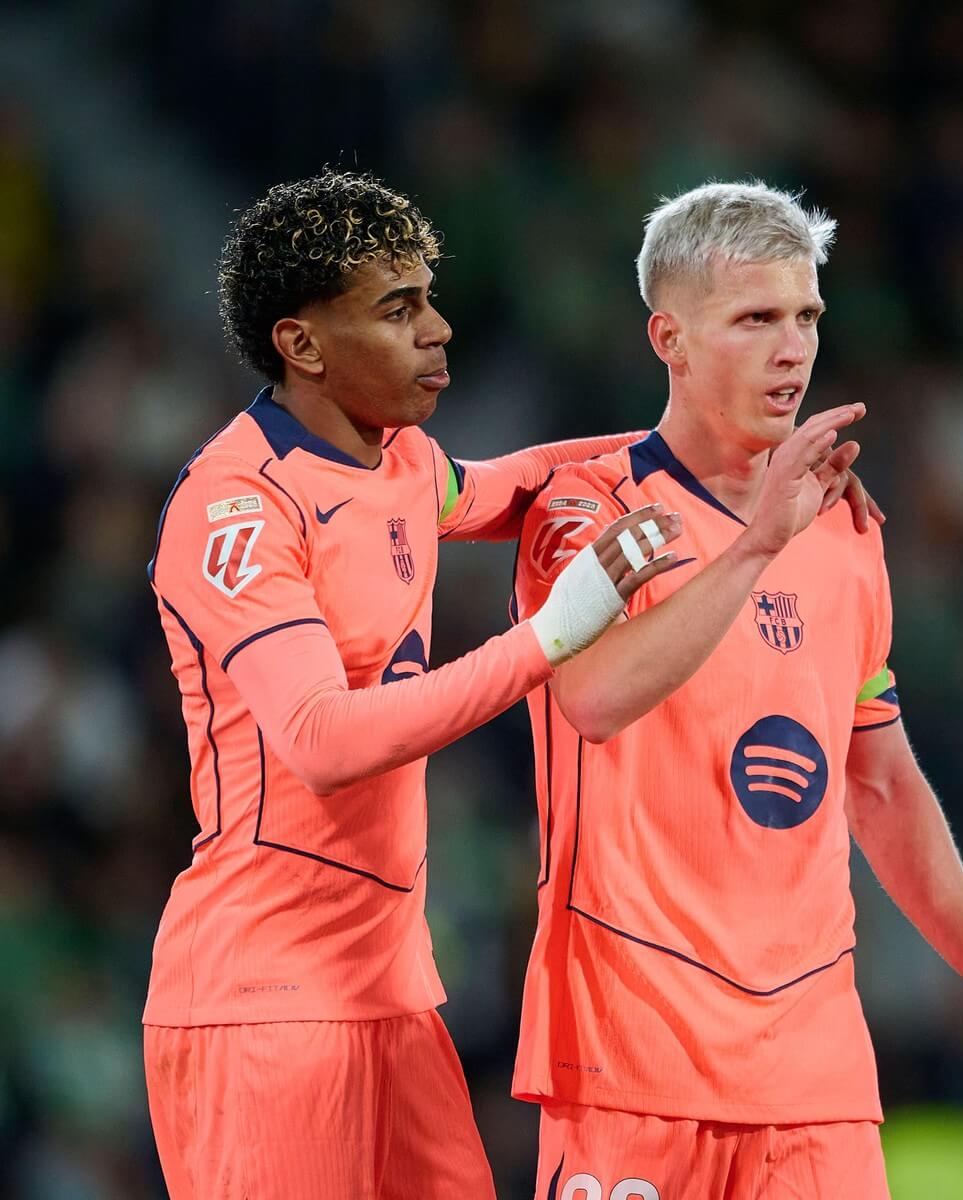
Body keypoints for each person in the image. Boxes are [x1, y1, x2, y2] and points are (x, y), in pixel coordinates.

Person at [142, 169, 876, 1199]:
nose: (438, 329)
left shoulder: (402, 464)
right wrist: (548, 639)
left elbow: (516, 482)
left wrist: (724, 459)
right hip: (262, 1003)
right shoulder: (239, 509)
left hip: (391, 997)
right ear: (303, 345)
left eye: (429, 298)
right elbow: (322, 740)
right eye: (397, 310)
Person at [510, 181, 963, 1199]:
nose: (793, 350)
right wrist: (754, 547)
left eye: (807, 317)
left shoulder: (844, 529)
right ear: (670, 338)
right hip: (633, 1059)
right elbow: (592, 699)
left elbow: (879, 779)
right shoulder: (588, 507)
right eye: (755, 320)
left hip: (812, 1073)